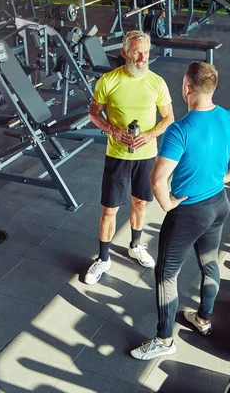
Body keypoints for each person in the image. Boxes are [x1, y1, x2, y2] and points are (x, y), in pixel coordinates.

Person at [130, 62, 230, 360]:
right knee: (209, 263)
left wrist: (167, 205)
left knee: (166, 274)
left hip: (188, 212)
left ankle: (164, 341)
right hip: (219, 205)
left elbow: (158, 178)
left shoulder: (181, 129)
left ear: (187, 88)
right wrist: (228, 176)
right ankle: (203, 318)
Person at [85, 30, 174, 285]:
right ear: (124, 52)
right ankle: (103, 258)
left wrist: (149, 135)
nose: (142, 57)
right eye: (136, 52)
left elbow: (168, 118)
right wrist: (113, 131)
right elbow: (94, 114)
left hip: (147, 155)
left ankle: (135, 245)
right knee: (110, 209)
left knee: (140, 203)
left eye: (145, 52)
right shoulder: (107, 81)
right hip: (117, 154)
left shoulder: (157, 82)